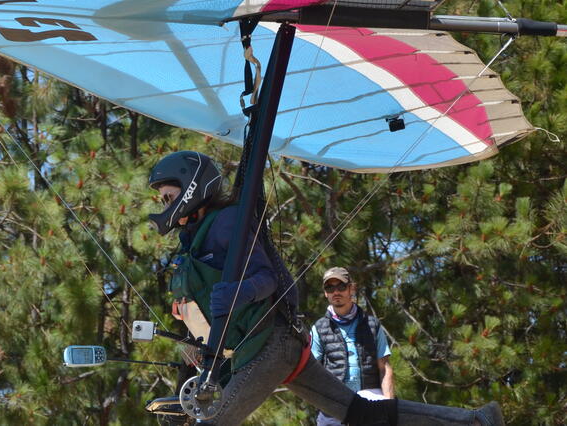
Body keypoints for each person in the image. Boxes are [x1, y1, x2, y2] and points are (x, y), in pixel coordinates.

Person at [151, 150, 503, 426]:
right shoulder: (192, 241)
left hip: (268, 346)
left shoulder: (226, 222)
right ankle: (475, 420)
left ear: (193, 188)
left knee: (213, 421)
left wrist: (240, 292)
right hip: (258, 349)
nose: (165, 206)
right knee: (361, 415)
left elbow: (266, 279)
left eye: (169, 197)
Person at [312, 267, 394, 425]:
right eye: (330, 288)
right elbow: (313, 371)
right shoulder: (318, 328)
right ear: (325, 293)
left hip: (371, 401)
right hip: (334, 405)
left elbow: (385, 369)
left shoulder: (372, 325)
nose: (336, 292)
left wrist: (388, 407)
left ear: (352, 288)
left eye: (341, 286)